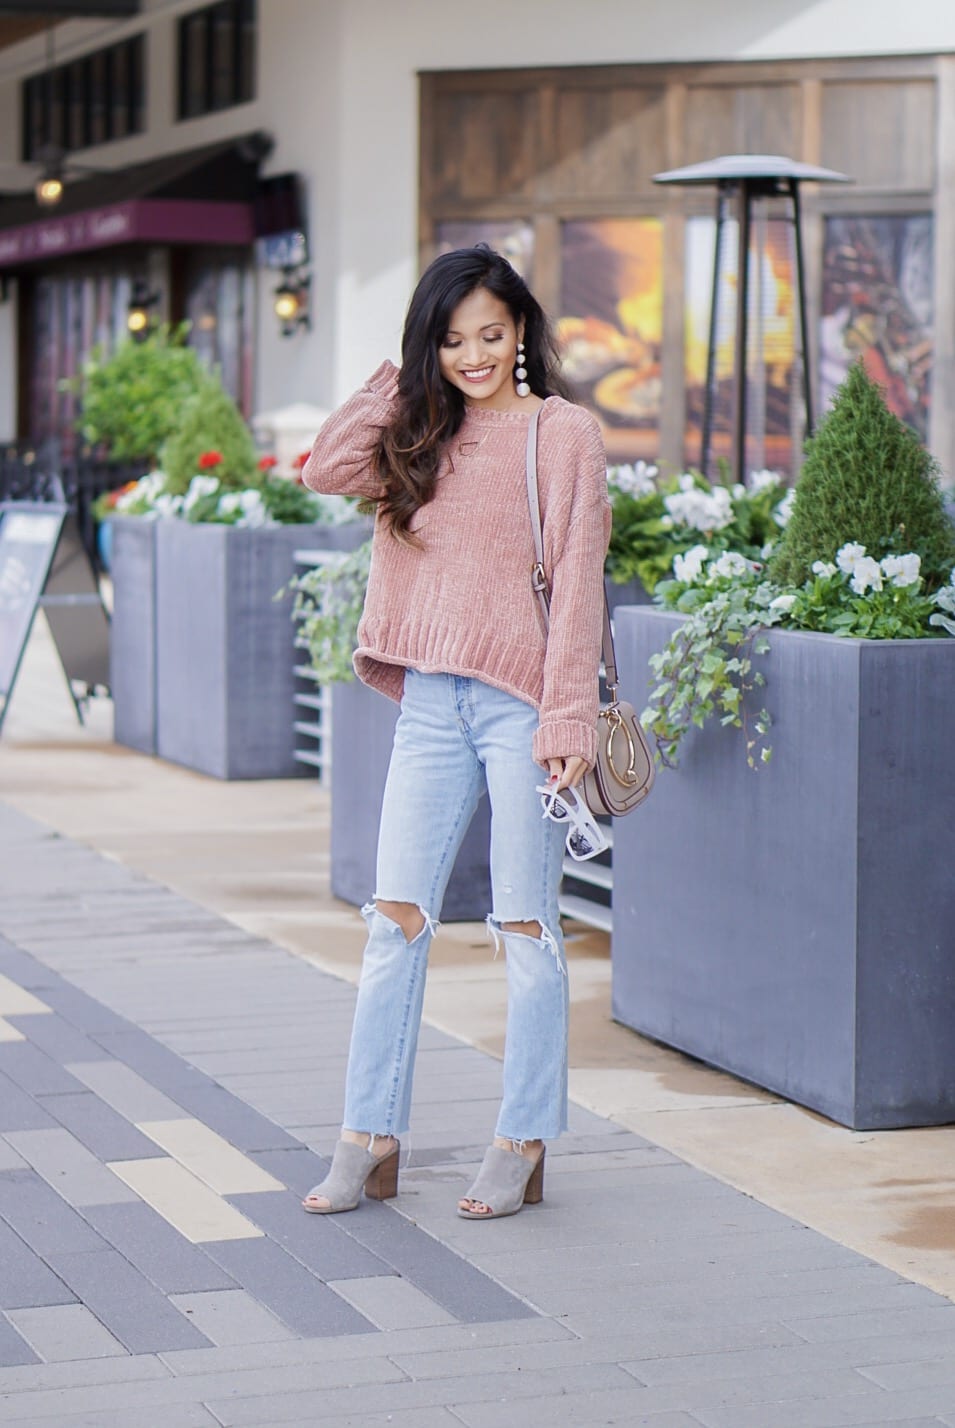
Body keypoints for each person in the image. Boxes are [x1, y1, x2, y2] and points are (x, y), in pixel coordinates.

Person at [299, 244, 610, 1220]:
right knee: (393, 919)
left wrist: (565, 714)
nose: (474, 354)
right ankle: (367, 1134)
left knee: (524, 926)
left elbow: (577, 585)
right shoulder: (417, 426)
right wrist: (402, 373)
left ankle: (521, 1140)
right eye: (452, 337)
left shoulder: (560, 435)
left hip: (521, 703)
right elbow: (321, 467)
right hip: (431, 705)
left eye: (490, 332)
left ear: (521, 330)